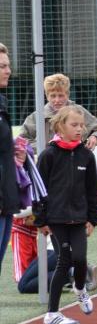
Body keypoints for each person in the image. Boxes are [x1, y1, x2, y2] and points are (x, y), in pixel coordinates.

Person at [34, 105, 97, 324]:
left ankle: (80, 289)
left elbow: (92, 189)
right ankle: (52, 313)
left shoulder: (86, 156)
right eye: (74, 125)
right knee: (64, 261)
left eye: (82, 125)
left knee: (80, 259)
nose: (80, 129)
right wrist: (41, 220)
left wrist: (93, 218)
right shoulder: (48, 155)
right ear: (60, 127)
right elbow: (39, 190)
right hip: (56, 220)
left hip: (79, 219)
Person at [19, 72, 97, 152]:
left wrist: (94, 137)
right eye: (53, 96)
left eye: (61, 96)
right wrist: (45, 147)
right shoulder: (37, 116)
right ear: (47, 96)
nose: (57, 100)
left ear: (68, 94)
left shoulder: (78, 111)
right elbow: (22, 141)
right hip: (49, 160)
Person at [0, 43, 25, 276]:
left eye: (8, 66)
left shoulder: (2, 102)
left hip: (6, 198)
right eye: (2, 66)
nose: (8, 71)